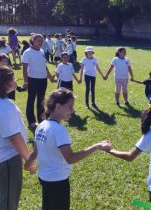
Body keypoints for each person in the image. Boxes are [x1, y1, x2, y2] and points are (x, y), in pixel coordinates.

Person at [24, 88, 112, 210]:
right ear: (58, 106)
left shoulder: (42, 125)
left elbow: (35, 151)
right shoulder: (59, 130)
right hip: (58, 181)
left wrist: (27, 165)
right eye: (70, 106)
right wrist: (97, 146)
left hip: (44, 178)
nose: (72, 110)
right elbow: (70, 158)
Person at [0, 66, 36, 210]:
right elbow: (15, 138)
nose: (16, 81)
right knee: (8, 200)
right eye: (13, 78)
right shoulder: (5, 108)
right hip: (7, 160)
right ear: (6, 84)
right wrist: (29, 160)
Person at [22, 34, 55, 131]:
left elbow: (44, 66)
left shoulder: (41, 51)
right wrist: (25, 81)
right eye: (38, 40)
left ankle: (41, 120)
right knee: (31, 100)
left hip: (42, 80)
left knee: (41, 100)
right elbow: (24, 69)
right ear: (32, 40)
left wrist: (50, 77)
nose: (40, 42)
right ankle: (31, 121)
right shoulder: (27, 52)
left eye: (41, 41)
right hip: (32, 79)